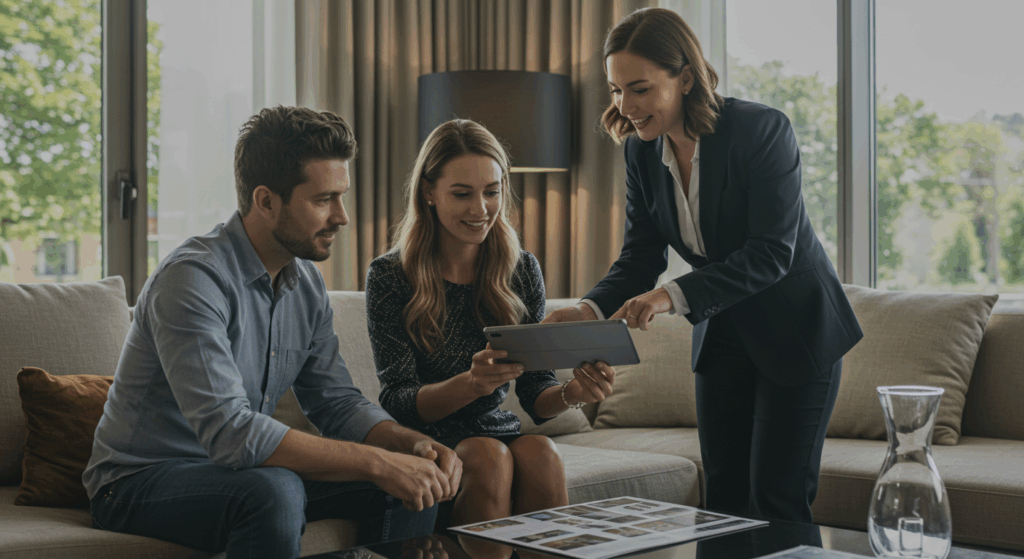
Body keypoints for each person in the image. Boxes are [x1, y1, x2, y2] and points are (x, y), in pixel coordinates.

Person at [83, 106, 463, 559]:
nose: (342, 216)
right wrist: (378, 461)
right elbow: (231, 434)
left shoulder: (305, 284)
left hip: (240, 473)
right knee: (273, 489)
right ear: (265, 201)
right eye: (324, 200)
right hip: (137, 482)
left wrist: (411, 445)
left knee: (414, 479)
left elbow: (336, 402)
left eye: (341, 196)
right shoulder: (191, 280)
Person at [544, 8, 864, 524]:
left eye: (640, 89)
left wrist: (669, 296)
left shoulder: (761, 130)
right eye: (615, 90)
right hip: (724, 335)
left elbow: (771, 252)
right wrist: (587, 306)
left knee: (778, 501)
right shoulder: (640, 154)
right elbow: (640, 255)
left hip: (797, 333)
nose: (625, 106)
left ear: (685, 78)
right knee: (723, 504)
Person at [365, 120, 616, 548]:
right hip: (425, 439)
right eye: (462, 193)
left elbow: (537, 396)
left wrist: (575, 392)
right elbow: (399, 401)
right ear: (429, 192)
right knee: (488, 456)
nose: (480, 208)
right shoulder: (391, 275)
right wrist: (471, 384)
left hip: (493, 430)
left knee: (541, 453)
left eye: (492, 191)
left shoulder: (521, 269)